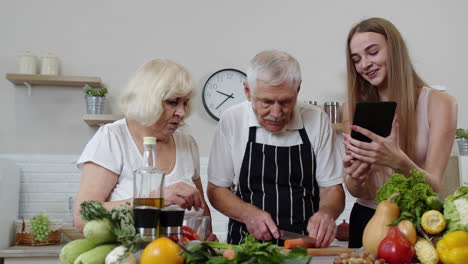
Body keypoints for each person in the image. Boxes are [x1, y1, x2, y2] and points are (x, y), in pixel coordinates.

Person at [207, 50, 345, 247]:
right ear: (248, 92)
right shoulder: (232, 120)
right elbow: (216, 190)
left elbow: (332, 189)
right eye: (267, 102)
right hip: (245, 247)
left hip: (303, 247)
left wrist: (326, 214)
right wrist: (248, 214)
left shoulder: (317, 120)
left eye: (286, 101)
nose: (276, 112)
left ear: (298, 90)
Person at [342, 17, 457, 248]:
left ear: (394, 50)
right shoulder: (352, 107)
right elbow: (357, 191)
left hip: (418, 222)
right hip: (367, 219)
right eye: (357, 59)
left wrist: (398, 161)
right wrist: (355, 176)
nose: (364, 64)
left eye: (372, 52)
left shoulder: (439, 103)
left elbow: (434, 186)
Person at [74, 59, 217, 241]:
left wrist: (207, 240)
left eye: (185, 103)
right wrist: (155, 200)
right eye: (173, 102)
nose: (181, 112)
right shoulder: (113, 137)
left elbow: (200, 209)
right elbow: (82, 217)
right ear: (148, 100)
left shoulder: (186, 143)